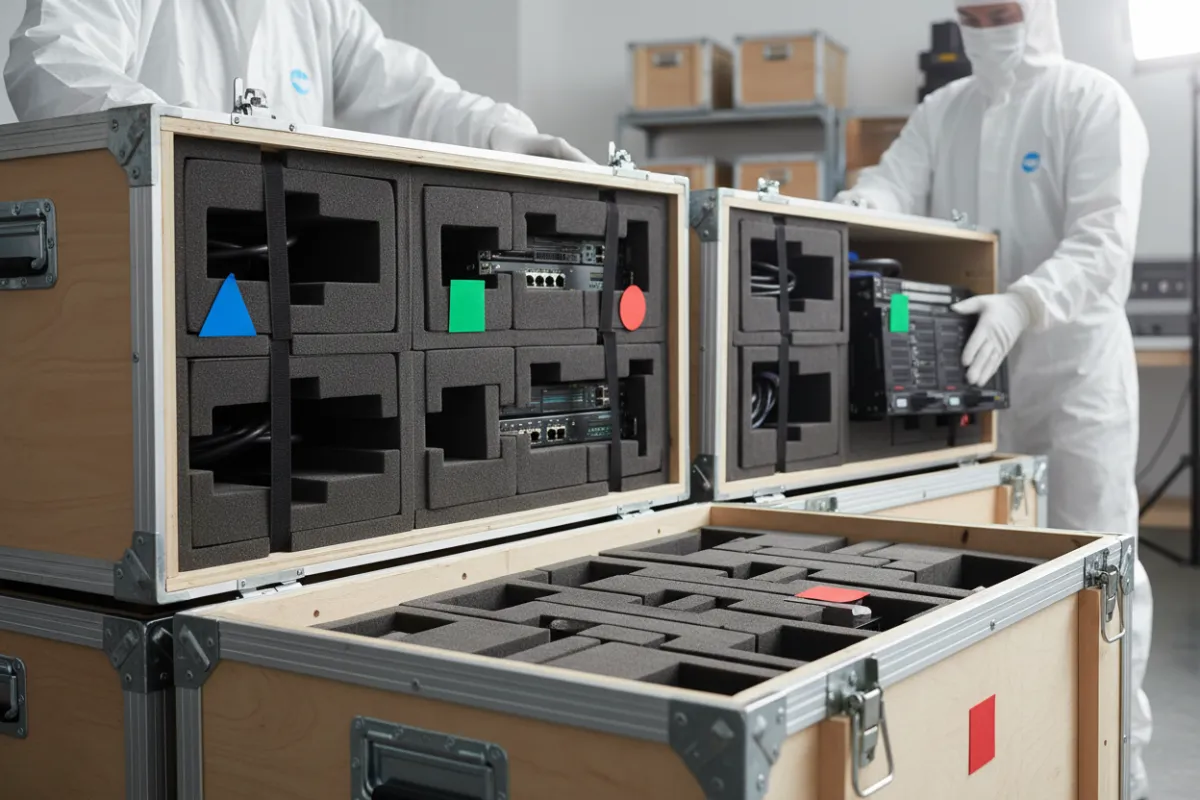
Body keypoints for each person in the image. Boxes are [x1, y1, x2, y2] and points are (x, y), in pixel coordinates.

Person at [838, 0, 1153, 794]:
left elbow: (1104, 241)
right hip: (972, 372)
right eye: (973, 10)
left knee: (1098, 555)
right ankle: (1015, 745)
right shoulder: (945, 110)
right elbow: (892, 183)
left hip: (1074, 371)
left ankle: (1121, 758)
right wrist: (862, 207)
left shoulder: (1091, 100)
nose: (989, 22)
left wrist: (1024, 302)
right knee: (978, 562)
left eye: (1002, 8)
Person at [4, 0, 589, 162]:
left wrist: (506, 136)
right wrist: (177, 137)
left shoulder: (319, 9)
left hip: (291, 269)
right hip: (155, 265)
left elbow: (413, 96)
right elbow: (50, 60)